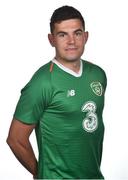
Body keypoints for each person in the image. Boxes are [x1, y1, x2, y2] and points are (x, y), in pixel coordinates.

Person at [7, 5, 107, 179]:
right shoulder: (43, 82)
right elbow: (15, 139)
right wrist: (40, 174)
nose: (71, 41)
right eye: (62, 35)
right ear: (51, 39)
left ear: (86, 36)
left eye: (77, 33)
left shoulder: (98, 74)